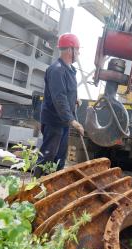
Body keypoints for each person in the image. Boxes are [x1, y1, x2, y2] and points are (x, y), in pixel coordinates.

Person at [34, 33, 84, 178]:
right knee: (48, 155)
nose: (79, 53)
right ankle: (35, 186)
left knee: (60, 158)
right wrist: (72, 120)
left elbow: (66, 91)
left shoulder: (68, 69)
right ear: (70, 50)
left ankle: (53, 188)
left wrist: (75, 99)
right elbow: (59, 97)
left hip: (62, 122)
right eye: (78, 50)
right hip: (54, 121)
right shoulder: (56, 70)